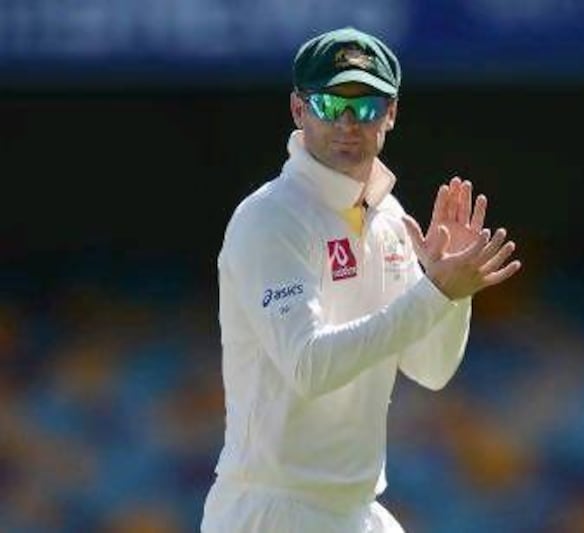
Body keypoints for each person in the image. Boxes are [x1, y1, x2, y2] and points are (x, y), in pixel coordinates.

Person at [200, 26, 521, 533]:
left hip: (356, 510)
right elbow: (308, 365)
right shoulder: (271, 217)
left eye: (367, 106)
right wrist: (432, 292)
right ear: (298, 110)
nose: (348, 123)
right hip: (273, 508)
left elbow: (430, 368)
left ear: (391, 114)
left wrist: (453, 294)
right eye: (330, 105)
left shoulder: (387, 217)